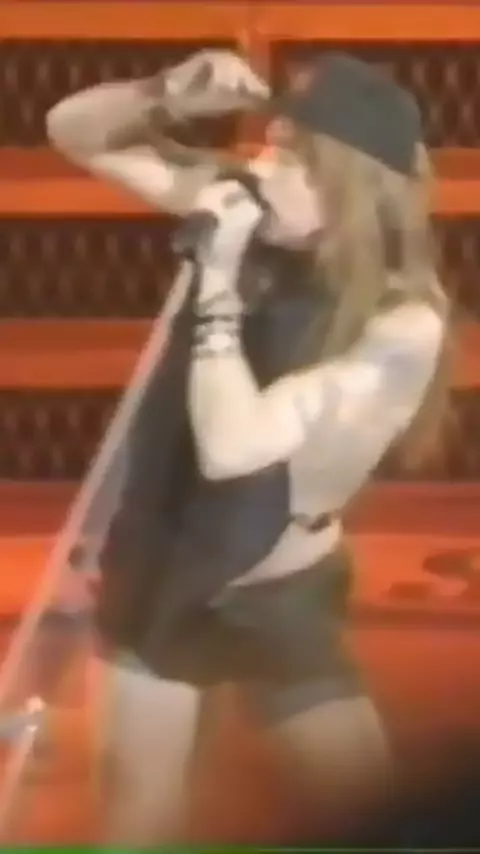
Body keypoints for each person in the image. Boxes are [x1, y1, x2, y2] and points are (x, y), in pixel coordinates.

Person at [46, 50, 450, 845]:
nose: (264, 166)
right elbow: (73, 132)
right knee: (138, 810)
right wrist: (165, 94)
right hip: (165, 564)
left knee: (366, 804)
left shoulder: (402, 323)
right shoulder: (249, 206)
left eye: (291, 156)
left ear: (343, 185)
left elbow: (236, 447)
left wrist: (220, 283)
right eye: (270, 143)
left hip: (277, 588)